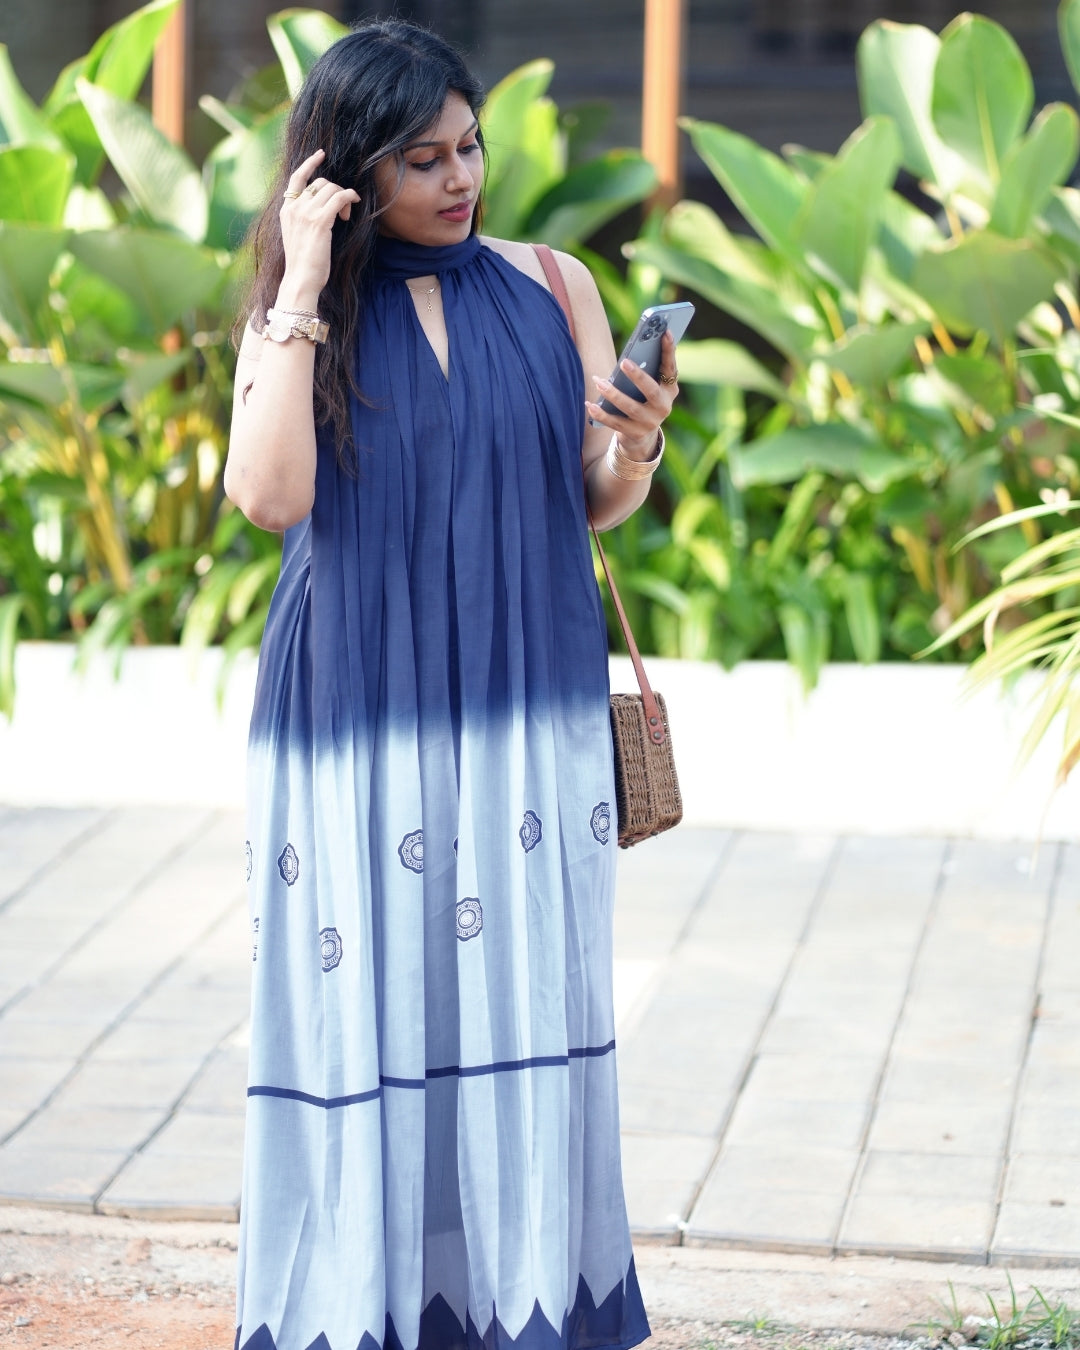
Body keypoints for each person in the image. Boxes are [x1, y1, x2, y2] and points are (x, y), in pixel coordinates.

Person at [224, 18, 678, 1350]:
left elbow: (588, 499)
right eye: (422, 159)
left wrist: (637, 447)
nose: (461, 176)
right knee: (369, 1004)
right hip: (357, 707)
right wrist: (305, 282)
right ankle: (356, 1305)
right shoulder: (302, 317)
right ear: (346, 171)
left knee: (522, 993)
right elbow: (270, 497)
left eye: (468, 145)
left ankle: (522, 1298)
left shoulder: (553, 284)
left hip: (526, 706)